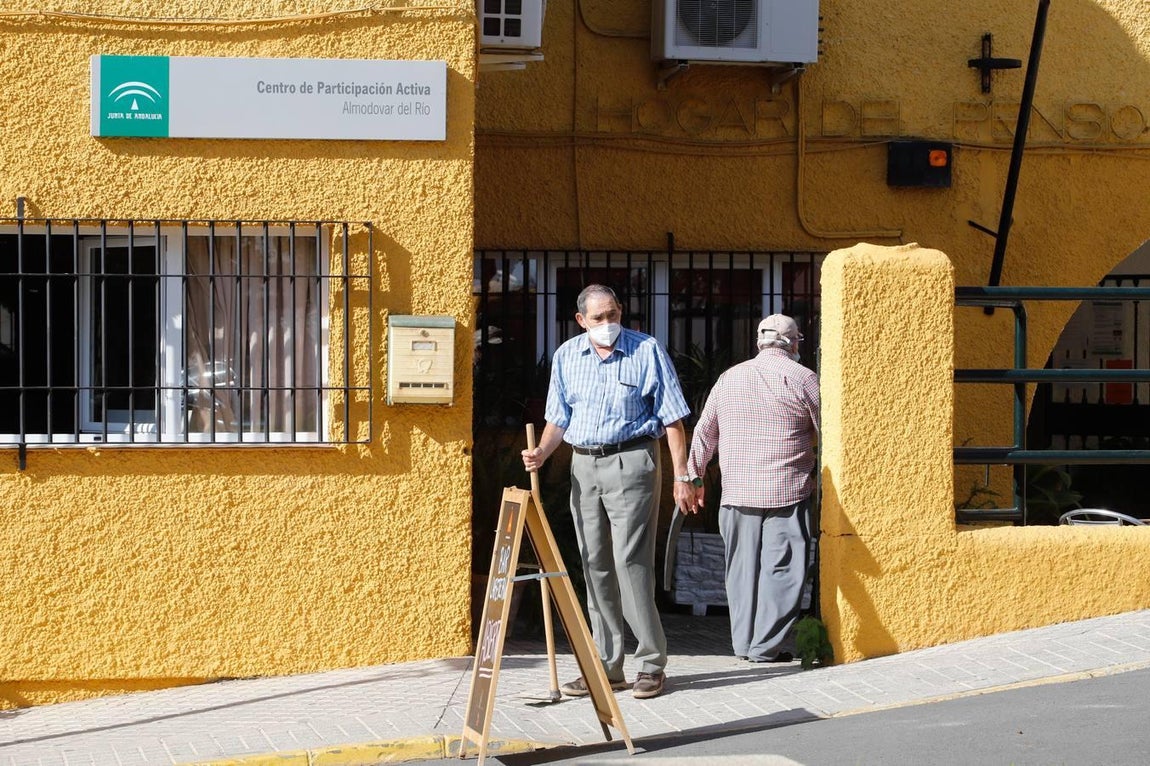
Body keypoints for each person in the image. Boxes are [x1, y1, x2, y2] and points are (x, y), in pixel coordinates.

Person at [522, 284, 694, 700]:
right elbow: (558, 417)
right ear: (581, 320)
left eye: (613, 315)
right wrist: (542, 453)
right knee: (594, 561)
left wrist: (682, 475)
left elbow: (673, 419)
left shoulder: (646, 350)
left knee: (629, 561)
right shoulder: (567, 356)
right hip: (584, 464)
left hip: (632, 460)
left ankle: (651, 662)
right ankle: (607, 664)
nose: (607, 325)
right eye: (598, 318)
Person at [685, 314, 820, 663]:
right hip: (787, 490)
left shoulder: (729, 378)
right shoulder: (804, 379)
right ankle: (765, 647)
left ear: (759, 341)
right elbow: (832, 431)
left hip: (737, 492)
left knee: (741, 570)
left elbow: (704, 432)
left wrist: (695, 477)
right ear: (793, 342)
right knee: (784, 570)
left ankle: (743, 645)